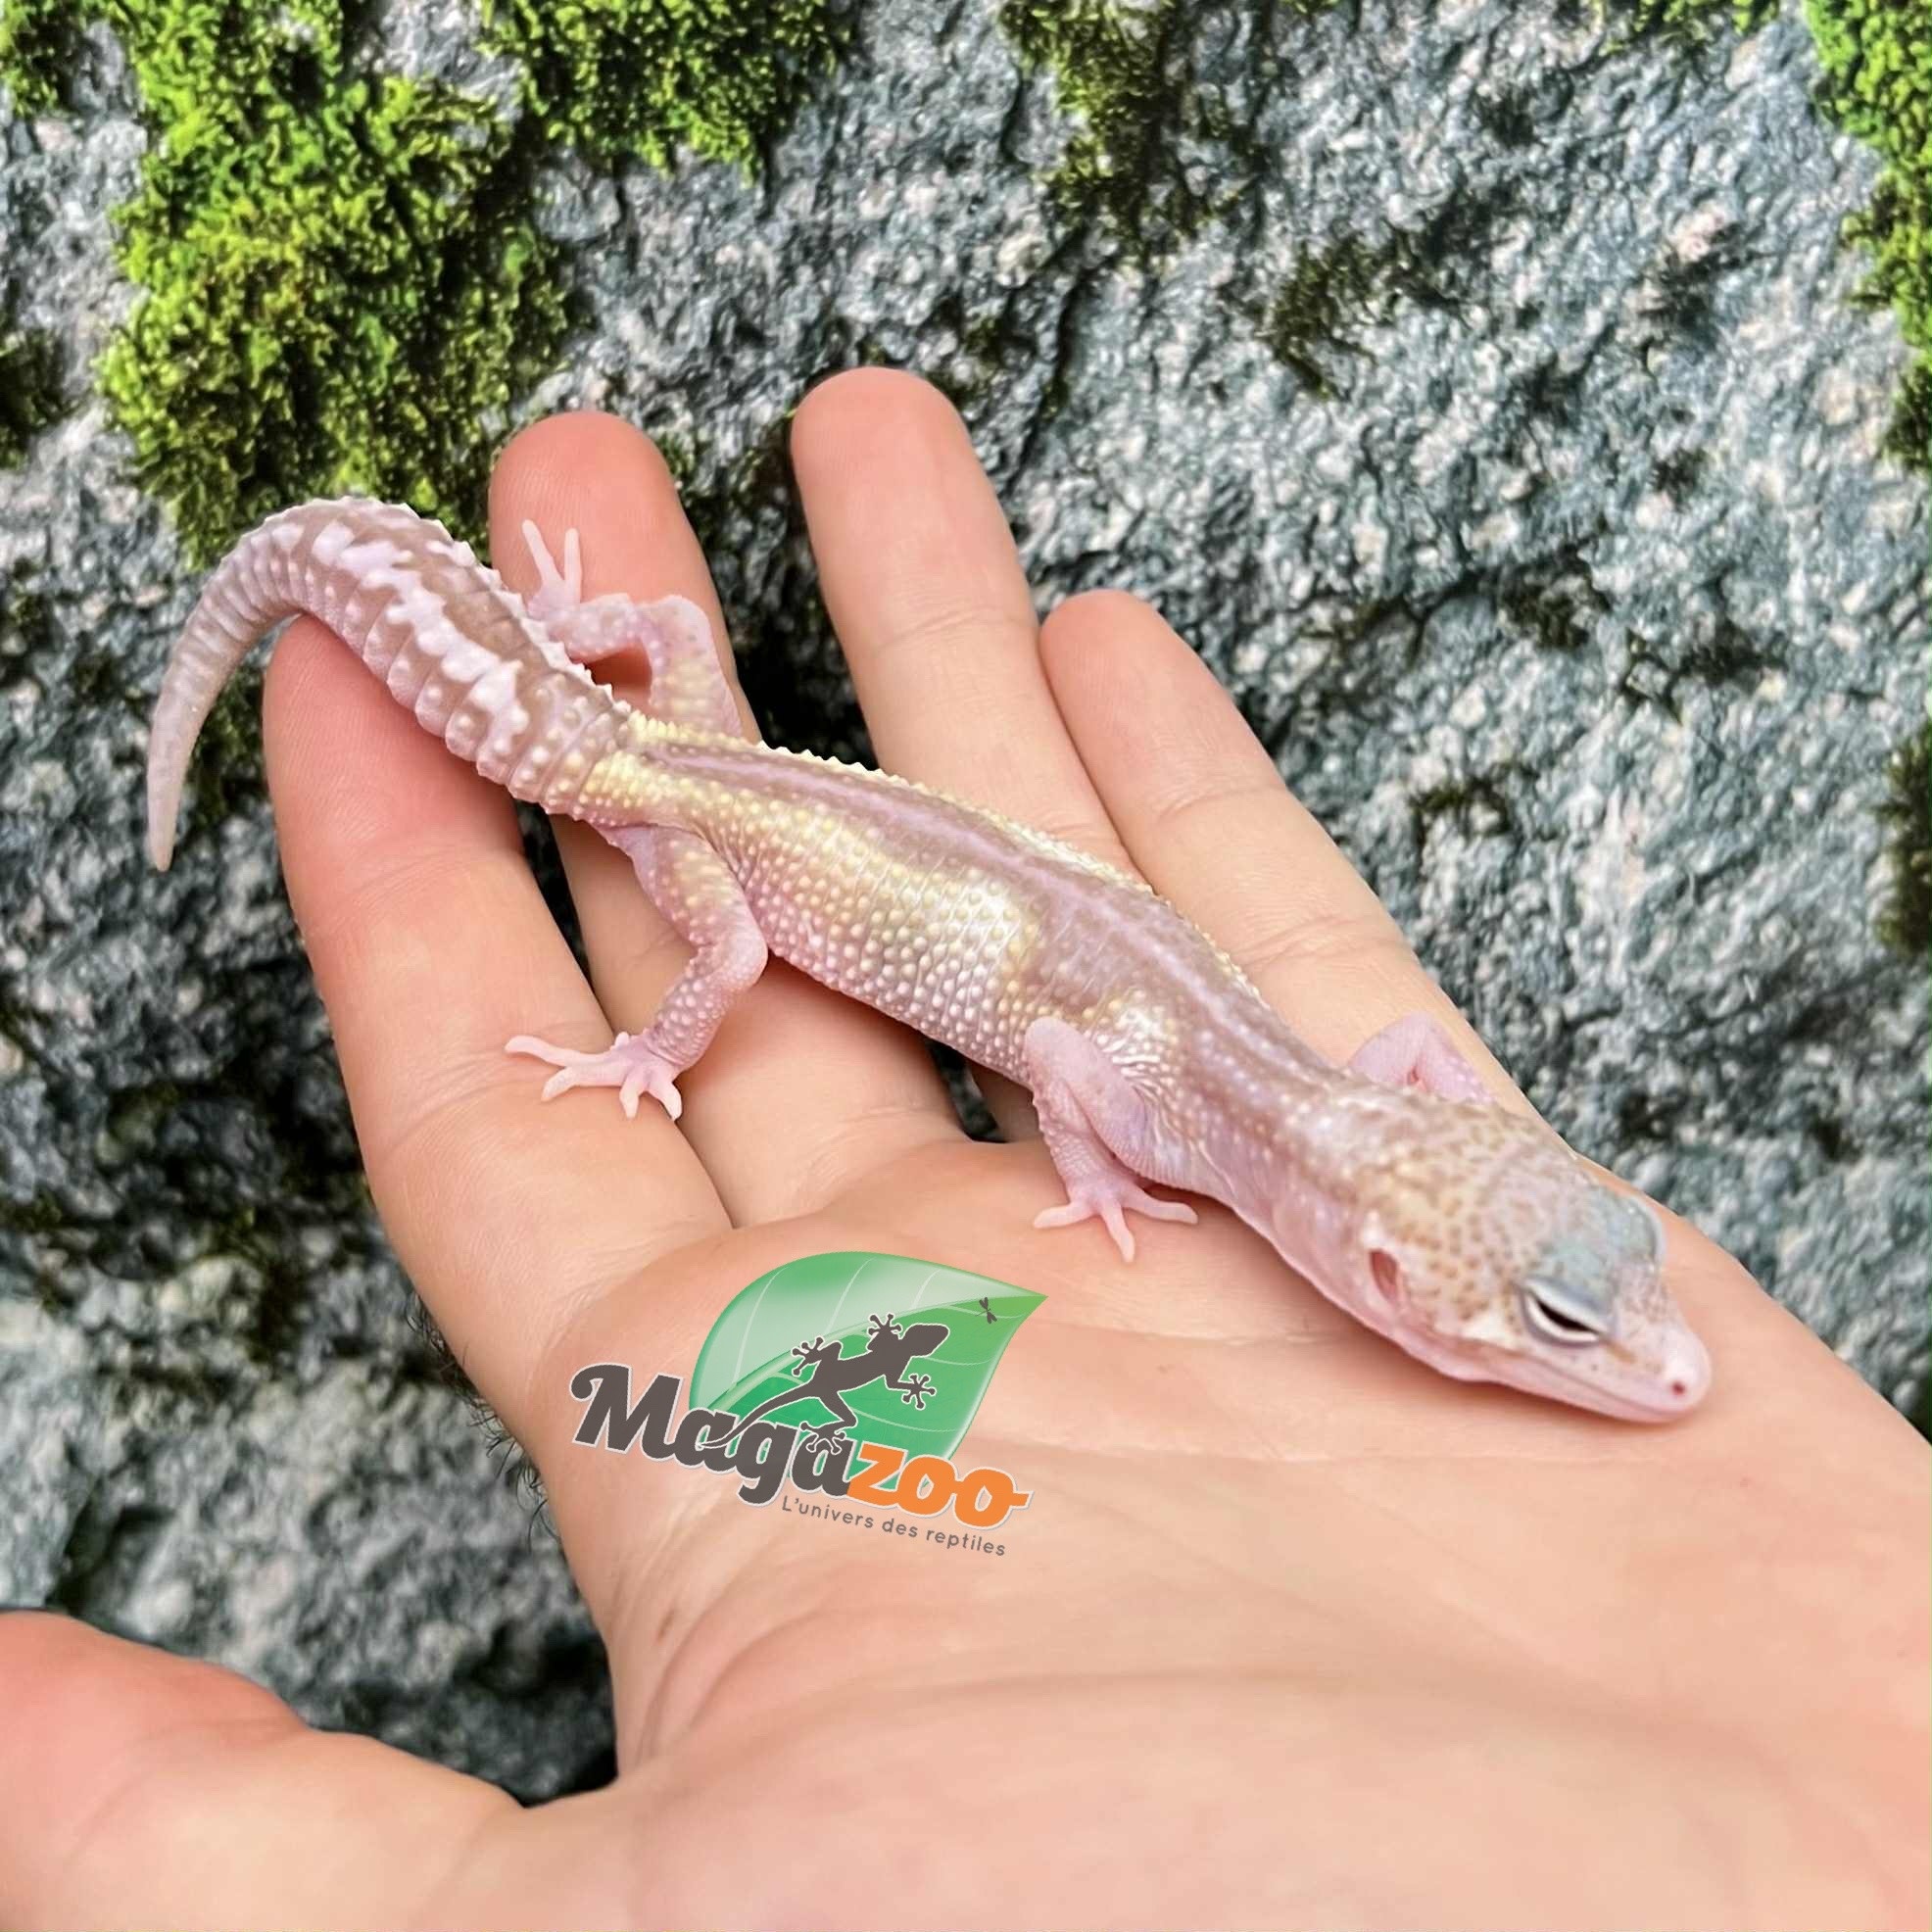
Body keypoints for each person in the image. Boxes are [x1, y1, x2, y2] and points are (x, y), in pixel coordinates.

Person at [1, 373, 1923, 1928]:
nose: (1662, 1360)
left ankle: (537, 641)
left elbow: (1362, 1054)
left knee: (667, 650)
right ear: (1397, 1278)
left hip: (671, 736)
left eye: (1591, 1310)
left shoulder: (1337, 1106)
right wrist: (698, 1065)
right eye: (1563, 1316)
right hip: (692, 814)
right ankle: (555, 848)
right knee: (730, 943)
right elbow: (1103, 1053)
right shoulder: (1238, 1117)